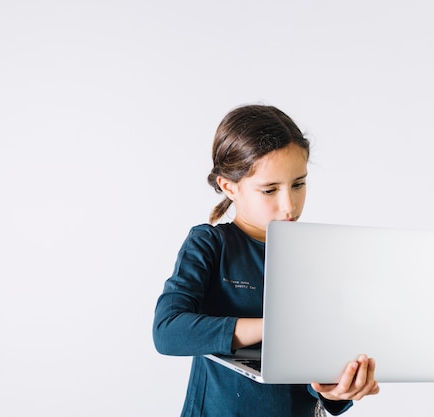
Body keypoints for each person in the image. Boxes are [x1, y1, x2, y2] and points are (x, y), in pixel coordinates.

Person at [152, 104, 380, 417]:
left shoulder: (317, 257)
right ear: (229, 186)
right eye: (269, 189)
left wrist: (336, 392)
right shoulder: (210, 244)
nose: (289, 205)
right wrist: (273, 328)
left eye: (298, 184)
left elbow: (317, 367)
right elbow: (168, 331)